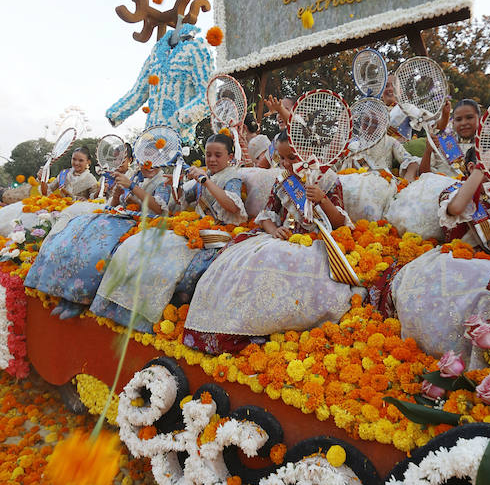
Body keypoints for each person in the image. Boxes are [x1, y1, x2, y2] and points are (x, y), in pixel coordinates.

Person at [182, 130, 363, 352]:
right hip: (279, 237)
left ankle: (268, 331)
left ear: (308, 152)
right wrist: (274, 230)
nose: (286, 164)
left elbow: (340, 224)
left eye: (292, 158)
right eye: (282, 158)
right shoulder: (282, 180)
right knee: (241, 264)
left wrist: (322, 200)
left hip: (313, 243)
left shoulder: (328, 179)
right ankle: (230, 329)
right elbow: (267, 215)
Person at [388, 145, 490, 364]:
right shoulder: (455, 190)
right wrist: (481, 169)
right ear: (474, 168)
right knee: (477, 295)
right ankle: (470, 362)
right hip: (455, 260)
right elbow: (456, 208)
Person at [90, 131, 248, 331]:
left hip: (218, 233)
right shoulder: (203, 176)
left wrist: (204, 181)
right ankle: (121, 307)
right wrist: (176, 186)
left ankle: (149, 315)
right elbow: (182, 201)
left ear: (230, 157)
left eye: (218, 155)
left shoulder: (231, 177)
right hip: (194, 229)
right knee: (144, 245)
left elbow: (233, 207)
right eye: (208, 155)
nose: (212, 159)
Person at [25, 145, 171, 319]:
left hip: (143, 224)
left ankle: (80, 297)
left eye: (154, 159)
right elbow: (113, 205)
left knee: (97, 249)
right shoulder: (136, 177)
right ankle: (64, 292)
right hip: (120, 217)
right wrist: (118, 194)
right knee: (79, 229)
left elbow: (158, 210)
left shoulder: (163, 181)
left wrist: (131, 187)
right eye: (145, 159)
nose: (148, 164)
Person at [420, 99, 481, 177]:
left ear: (480, 119)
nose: (464, 123)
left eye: (469, 117)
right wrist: (428, 150)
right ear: (453, 122)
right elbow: (423, 176)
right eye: (458, 119)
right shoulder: (441, 143)